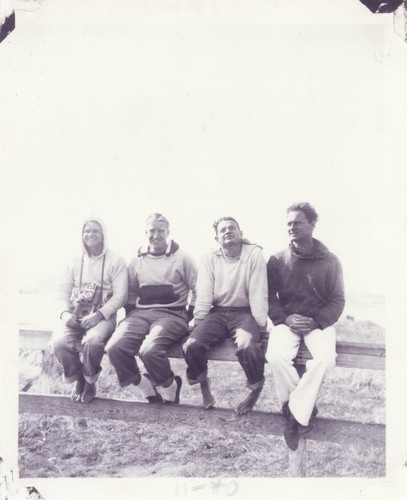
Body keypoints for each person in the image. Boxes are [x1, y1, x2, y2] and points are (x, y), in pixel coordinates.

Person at [266, 202, 345, 450]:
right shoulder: (277, 259)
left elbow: (337, 299)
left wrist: (318, 321)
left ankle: (294, 412)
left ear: (312, 224)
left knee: (324, 360)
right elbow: (268, 298)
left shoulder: (331, 260)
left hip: (318, 323)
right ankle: (302, 410)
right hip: (287, 322)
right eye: (288, 223)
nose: (292, 227)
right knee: (276, 356)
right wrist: (285, 318)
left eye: (297, 222)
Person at [106, 213, 197, 404]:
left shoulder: (183, 258)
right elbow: (130, 291)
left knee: (149, 350)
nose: (156, 235)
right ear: (145, 232)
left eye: (161, 231)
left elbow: (199, 290)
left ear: (168, 232)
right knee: (114, 348)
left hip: (172, 314)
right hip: (139, 315)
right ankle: (145, 386)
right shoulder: (136, 259)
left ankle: (170, 386)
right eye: (152, 231)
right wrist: (132, 314)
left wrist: (188, 315)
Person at [184, 216, 268, 416]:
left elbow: (259, 292)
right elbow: (204, 293)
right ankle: (205, 386)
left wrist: (261, 326)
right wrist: (198, 321)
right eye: (223, 230)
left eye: (232, 228)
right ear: (216, 238)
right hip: (218, 311)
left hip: (245, 313)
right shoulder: (209, 257)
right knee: (192, 345)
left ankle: (255, 391)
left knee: (248, 347)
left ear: (241, 234)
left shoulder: (254, 254)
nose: (228, 232)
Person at [53, 219, 128, 403]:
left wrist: (100, 314)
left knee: (93, 341)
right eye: (86, 231)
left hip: (103, 316)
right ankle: (78, 378)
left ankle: (89, 381)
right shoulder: (72, 260)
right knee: (58, 343)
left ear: (104, 234)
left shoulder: (116, 260)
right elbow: (61, 292)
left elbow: (121, 296)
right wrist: (65, 314)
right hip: (75, 314)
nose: (90, 234)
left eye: (95, 231)